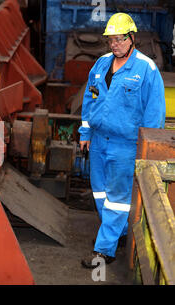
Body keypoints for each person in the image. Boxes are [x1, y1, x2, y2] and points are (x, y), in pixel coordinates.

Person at [78, 12, 166, 268]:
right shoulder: (101, 64)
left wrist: (145, 148)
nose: (115, 44)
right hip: (98, 142)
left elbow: (154, 114)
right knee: (100, 193)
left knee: (116, 198)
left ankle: (103, 251)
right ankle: (121, 233)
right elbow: (89, 99)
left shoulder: (146, 70)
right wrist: (85, 133)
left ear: (132, 38)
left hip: (125, 146)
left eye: (119, 39)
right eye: (111, 40)